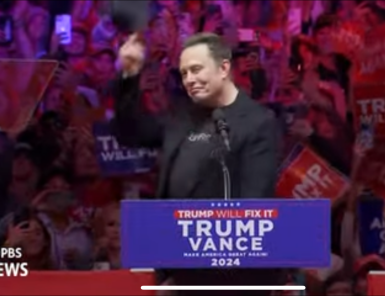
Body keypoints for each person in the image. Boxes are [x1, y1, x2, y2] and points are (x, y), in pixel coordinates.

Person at [111, 32, 282, 295]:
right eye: (185, 73)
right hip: (179, 268)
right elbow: (129, 131)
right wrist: (129, 76)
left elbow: (254, 203)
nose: (190, 79)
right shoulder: (179, 119)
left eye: (197, 70)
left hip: (234, 274)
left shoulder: (258, 122)